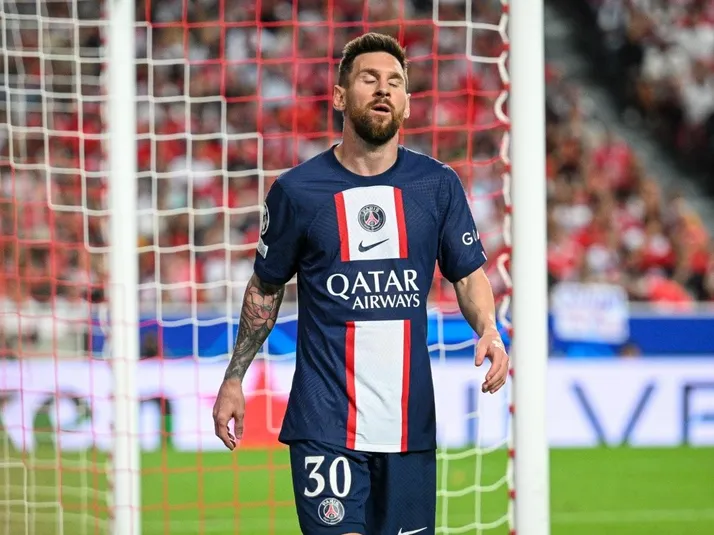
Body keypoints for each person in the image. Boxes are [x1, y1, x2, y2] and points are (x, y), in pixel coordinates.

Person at [212, 32, 510, 535]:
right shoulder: (297, 192)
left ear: (407, 103)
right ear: (339, 96)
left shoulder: (437, 186)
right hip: (324, 422)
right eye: (369, 78)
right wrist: (235, 377)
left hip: (409, 425)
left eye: (395, 82)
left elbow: (467, 274)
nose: (383, 89)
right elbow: (265, 288)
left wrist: (489, 329)